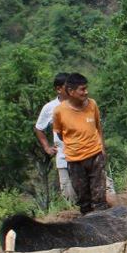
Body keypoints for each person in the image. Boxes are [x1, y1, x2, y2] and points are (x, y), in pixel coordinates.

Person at [53, 72, 110, 214]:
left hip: (95, 156)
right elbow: (60, 134)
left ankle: (105, 227)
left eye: (86, 88)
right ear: (71, 91)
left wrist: (102, 148)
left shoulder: (92, 105)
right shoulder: (59, 111)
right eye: (82, 89)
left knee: (100, 198)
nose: (86, 92)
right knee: (84, 200)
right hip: (75, 160)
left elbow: (98, 127)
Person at [35, 72, 75, 204]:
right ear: (59, 89)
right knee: (69, 196)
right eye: (67, 86)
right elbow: (39, 128)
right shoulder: (49, 108)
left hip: (84, 154)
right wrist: (47, 147)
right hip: (63, 158)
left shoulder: (79, 102)